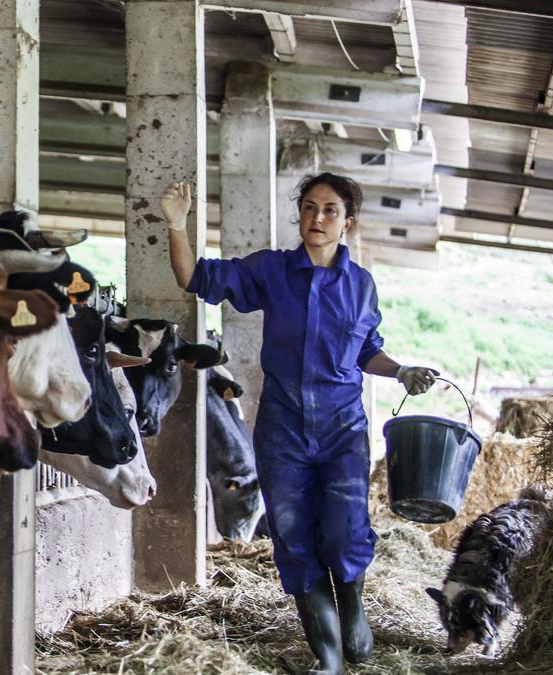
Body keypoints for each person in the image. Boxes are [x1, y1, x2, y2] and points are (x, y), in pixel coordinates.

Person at [160, 174, 437, 675]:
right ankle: (326, 659)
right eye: (309, 208)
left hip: (342, 429)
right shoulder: (272, 270)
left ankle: (351, 600)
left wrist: (400, 371)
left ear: (346, 222)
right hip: (283, 428)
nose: (317, 218)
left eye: (330, 210)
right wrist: (177, 225)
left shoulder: (360, 286)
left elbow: (366, 350)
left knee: (344, 529)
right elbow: (194, 278)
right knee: (291, 534)